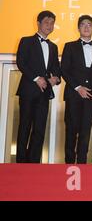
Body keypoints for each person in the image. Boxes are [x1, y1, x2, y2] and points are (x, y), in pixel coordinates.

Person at [16, 10, 61, 163]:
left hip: (44, 93)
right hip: (28, 91)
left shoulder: (54, 47)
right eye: (47, 22)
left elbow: (56, 68)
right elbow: (21, 63)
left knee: (40, 128)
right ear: (39, 23)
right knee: (25, 126)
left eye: (52, 23)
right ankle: (21, 163)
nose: (49, 25)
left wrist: (56, 78)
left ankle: (34, 163)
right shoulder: (26, 41)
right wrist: (37, 78)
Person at [61, 15, 92, 164]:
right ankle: (68, 163)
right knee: (71, 130)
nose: (86, 27)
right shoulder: (69, 46)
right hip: (73, 95)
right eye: (83, 24)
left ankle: (82, 163)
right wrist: (78, 87)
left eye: (89, 24)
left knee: (86, 131)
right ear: (78, 28)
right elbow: (64, 70)